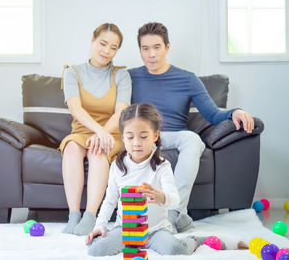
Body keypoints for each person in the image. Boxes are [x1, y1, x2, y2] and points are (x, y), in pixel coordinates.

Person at [129, 22, 255, 233]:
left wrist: (235, 112)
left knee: (192, 139)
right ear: (140, 50)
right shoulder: (130, 77)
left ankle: (174, 211)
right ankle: (177, 218)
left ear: (167, 47)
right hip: (143, 136)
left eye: (157, 47)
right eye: (145, 48)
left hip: (174, 136)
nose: (151, 54)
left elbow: (214, 114)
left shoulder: (187, 79)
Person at [85, 103, 208, 256]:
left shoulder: (162, 166)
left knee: (176, 249)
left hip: (156, 231)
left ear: (155, 136)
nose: (136, 143)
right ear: (122, 137)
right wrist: (100, 226)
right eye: (130, 137)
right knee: (95, 249)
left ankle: (194, 241)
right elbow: (109, 201)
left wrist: (161, 197)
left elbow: (176, 200)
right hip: (126, 230)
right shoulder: (117, 166)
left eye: (143, 136)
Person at [60, 23, 131, 236]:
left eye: (113, 47)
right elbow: (75, 108)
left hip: (112, 133)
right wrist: (96, 131)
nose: (106, 51)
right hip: (82, 130)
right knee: (72, 147)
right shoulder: (72, 72)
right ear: (92, 41)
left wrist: (103, 133)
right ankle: (74, 214)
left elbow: (121, 112)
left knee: (98, 149)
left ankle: (90, 215)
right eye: (103, 44)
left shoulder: (121, 75)